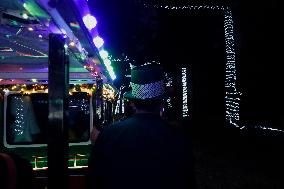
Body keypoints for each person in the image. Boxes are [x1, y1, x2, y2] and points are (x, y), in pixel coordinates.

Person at [88, 64, 195, 189]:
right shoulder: (178, 138)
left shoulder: (109, 134)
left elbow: (94, 180)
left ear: (133, 102)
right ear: (161, 102)